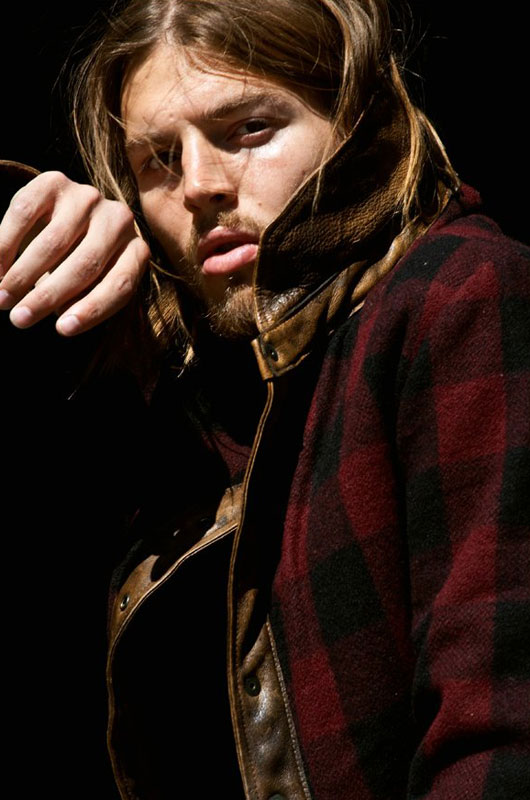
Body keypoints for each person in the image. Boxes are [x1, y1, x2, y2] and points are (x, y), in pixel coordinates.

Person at [1, 1, 529, 798]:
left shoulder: (458, 295)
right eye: (159, 159)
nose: (200, 186)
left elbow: (500, 728)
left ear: (354, 118)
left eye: (249, 129)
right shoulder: (180, 381)